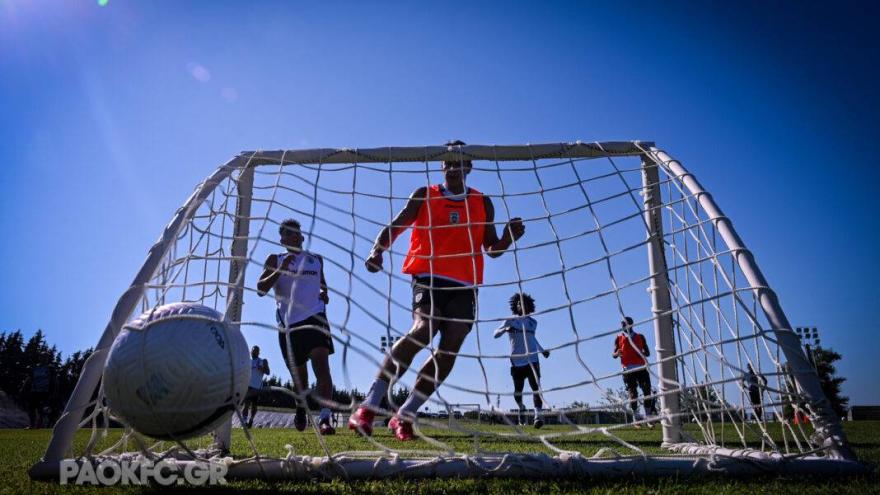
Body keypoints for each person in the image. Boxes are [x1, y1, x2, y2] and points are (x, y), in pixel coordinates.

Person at [349, 140, 526, 441]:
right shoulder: (425, 194)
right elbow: (396, 224)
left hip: (465, 283)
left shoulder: (483, 201)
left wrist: (508, 239)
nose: (453, 166)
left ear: (469, 167)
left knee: (452, 343)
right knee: (424, 328)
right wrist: (377, 251)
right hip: (428, 274)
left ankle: (405, 414)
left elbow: (491, 248)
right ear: (441, 165)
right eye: (448, 161)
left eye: (459, 161)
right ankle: (368, 406)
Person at [257, 218, 336, 435]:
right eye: (288, 233)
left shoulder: (316, 259)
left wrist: (324, 294)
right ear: (281, 239)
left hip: (316, 318)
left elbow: (322, 287)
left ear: (302, 236)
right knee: (300, 379)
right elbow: (261, 288)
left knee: (322, 365)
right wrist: (280, 269)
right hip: (289, 325)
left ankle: (325, 418)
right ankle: (301, 407)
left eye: (296, 232)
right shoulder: (275, 258)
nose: (293, 236)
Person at [494, 292, 549, 428]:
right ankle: (521, 407)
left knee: (536, 388)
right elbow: (495, 334)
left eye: (523, 303)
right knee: (518, 391)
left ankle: (537, 417)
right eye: (518, 303)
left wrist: (542, 351)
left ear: (529, 306)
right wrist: (505, 329)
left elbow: (532, 339)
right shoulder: (510, 320)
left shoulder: (533, 322)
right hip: (516, 361)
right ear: (515, 306)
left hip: (532, 359)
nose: (520, 305)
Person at [612, 317, 657, 426]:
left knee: (647, 390)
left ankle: (648, 417)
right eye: (622, 324)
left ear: (631, 324)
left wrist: (641, 352)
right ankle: (636, 418)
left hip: (641, 367)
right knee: (633, 393)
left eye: (625, 324)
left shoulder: (640, 337)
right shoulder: (618, 338)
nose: (623, 326)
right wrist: (617, 353)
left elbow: (647, 353)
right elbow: (613, 355)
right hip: (627, 369)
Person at [242, 345, 270, 428]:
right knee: (246, 404)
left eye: (256, 351)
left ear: (258, 352)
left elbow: (268, 372)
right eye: (253, 351)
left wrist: (262, 369)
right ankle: (244, 422)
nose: (253, 352)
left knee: (254, 406)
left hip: (257, 387)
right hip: (248, 386)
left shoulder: (262, 361)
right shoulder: (248, 361)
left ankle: (251, 420)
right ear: (251, 352)